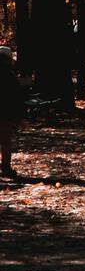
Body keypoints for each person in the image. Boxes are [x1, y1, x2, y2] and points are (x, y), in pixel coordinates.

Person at [0, 47, 25, 180]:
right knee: (5, 143)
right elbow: (16, 98)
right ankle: (5, 168)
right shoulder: (10, 77)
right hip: (5, 115)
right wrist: (19, 117)